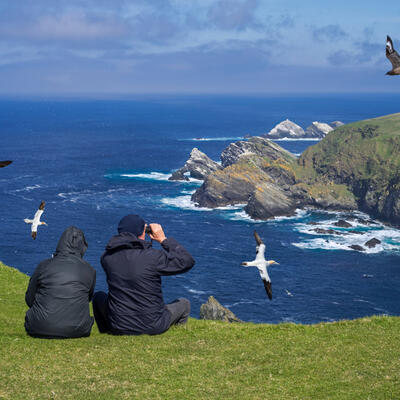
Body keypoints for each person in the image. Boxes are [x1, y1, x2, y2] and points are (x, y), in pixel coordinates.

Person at [93, 214, 195, 335]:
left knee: (98, 296)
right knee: (184, 303)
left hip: (119, 324)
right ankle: (177, 335)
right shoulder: (152, 257)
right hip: (152, 325)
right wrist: (163, 239)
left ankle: (106, 332)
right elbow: (187, 261)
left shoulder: (106, 258)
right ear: (142, 233)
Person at [24, 226, 96, 339]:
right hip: (78, 329)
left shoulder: (44, 265)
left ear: (61, 243)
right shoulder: (90, 270)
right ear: (82, 247)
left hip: (39, 327)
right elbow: (88, 298)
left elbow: (29, 299)